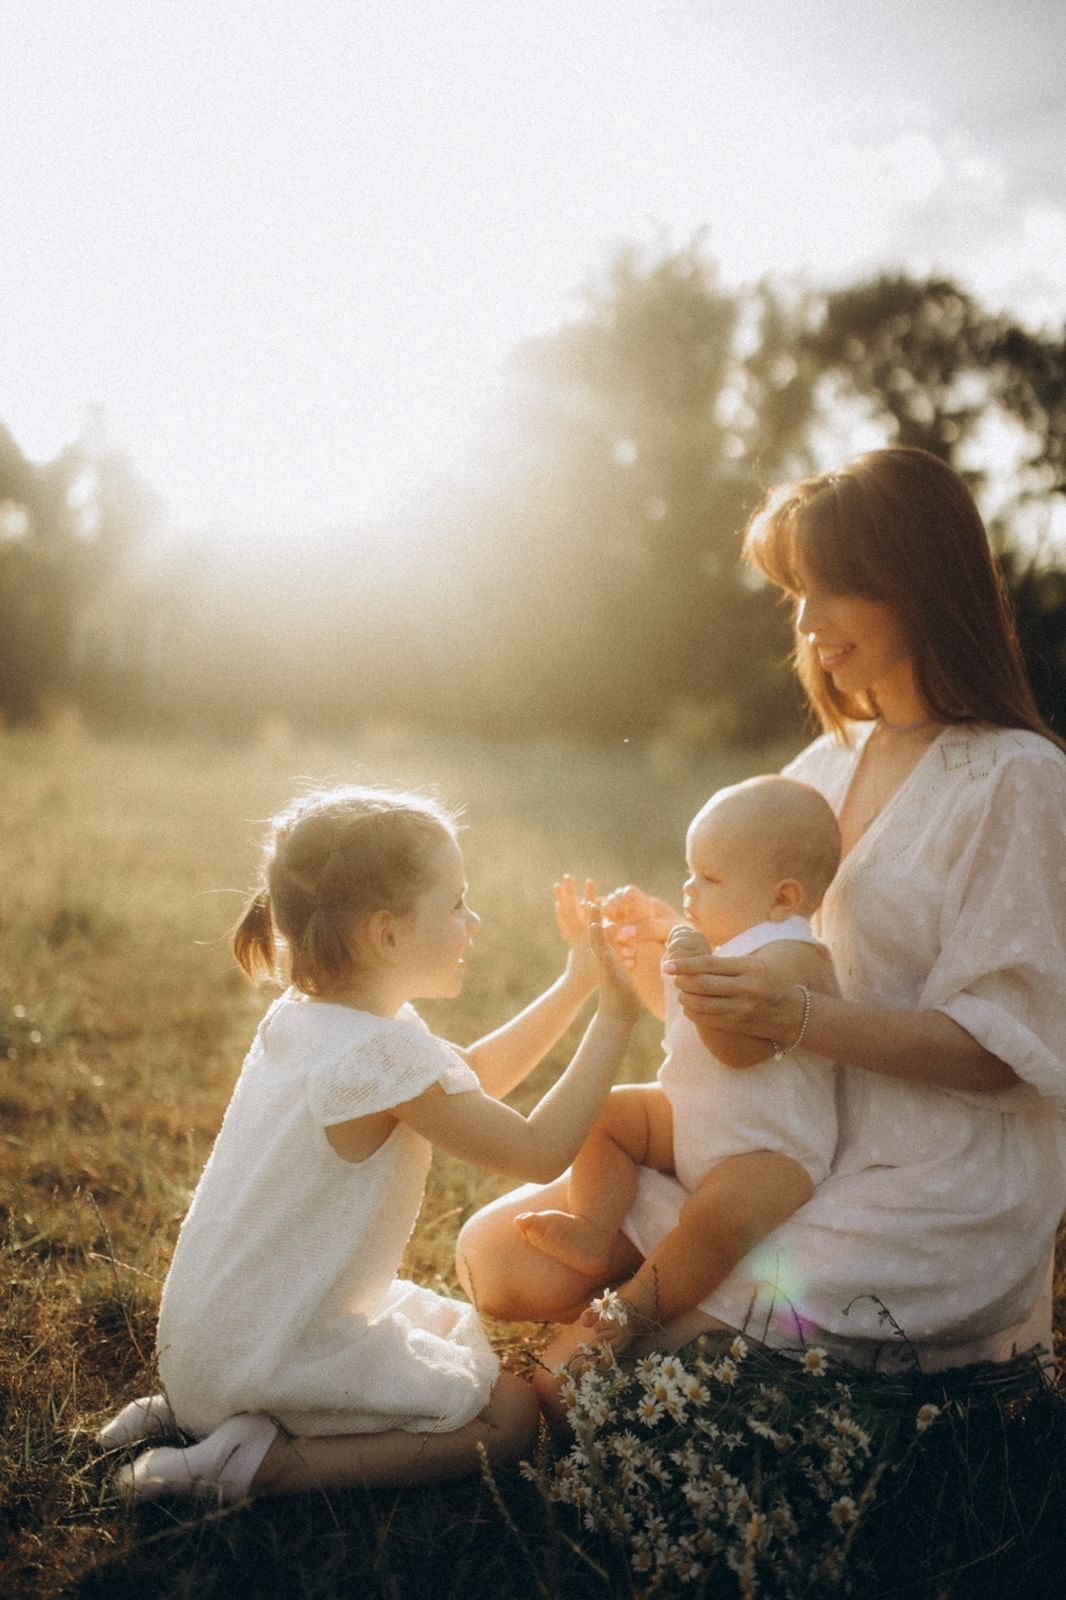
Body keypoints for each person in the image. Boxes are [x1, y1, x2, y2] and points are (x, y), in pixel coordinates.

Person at [456, 446, 1066, 1381]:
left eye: (835, 589)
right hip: (778, 1142)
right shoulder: (821, 767)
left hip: (930, 1181)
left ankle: (672, 1330)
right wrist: (684, 962)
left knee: (655, 1355)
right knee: (498, 1258)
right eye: (798, 593)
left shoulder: (1018, 779)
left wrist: (801, 1018)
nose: (810, 622)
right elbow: (752, 1013)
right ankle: (677, 1309)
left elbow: (1003, 1050)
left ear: (921, 586)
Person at [99, 785, 639, 1501]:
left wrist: (574, 985)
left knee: (436, 1352)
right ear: (385, 936)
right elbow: (540, 1149)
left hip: (203, 1345)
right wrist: (616, 1018)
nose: (473, 922)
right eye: (455, 904)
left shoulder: (310, 1022)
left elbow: (467, 1079)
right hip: (264, 1353)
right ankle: (258, 1467)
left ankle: (208, 1416)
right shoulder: (380, 1060)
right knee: (509, 1417)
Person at [513, 775, 841, 1363]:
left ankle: (639, 1308)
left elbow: (737, 1050)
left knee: (718, 1219)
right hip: (696, 1119)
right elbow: (672, 1013)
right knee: (609, 1112)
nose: (689, 890)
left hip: (772, 1151)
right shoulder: (725, 944)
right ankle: (592, 1228)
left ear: (783, 899)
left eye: (709, 878)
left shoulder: (792, 956)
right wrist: (642, 950)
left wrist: (690, 962)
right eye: (691, 872)